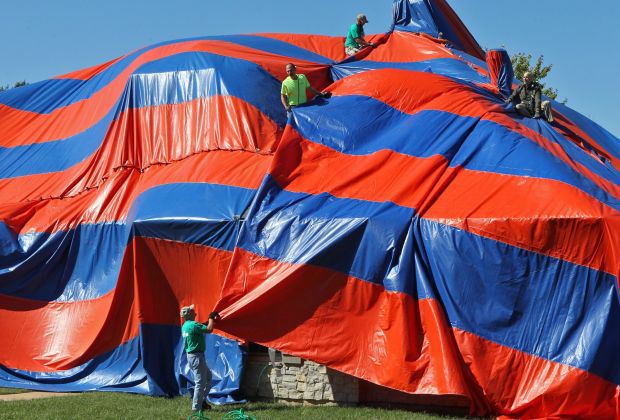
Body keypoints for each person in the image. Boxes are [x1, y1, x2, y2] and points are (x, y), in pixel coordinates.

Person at [180, 304, 219, 417]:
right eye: (193, 311)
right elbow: (209, 329)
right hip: (197, 357)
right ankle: (196, 408)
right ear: (190, 314)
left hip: (192, 356)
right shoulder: (193, 325)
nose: (195, 312)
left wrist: (207, 321)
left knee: (208, 378)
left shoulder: (186, 326)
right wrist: (211, 317)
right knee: (200, 383)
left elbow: (199, 328)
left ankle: (201, 402)